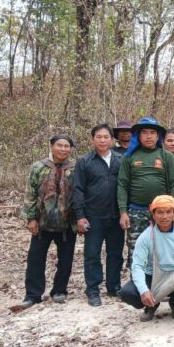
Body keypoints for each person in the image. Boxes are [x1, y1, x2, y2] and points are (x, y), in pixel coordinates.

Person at [118, 195, 174, 321]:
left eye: (168, 212)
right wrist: (144, 290)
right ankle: (151, 305)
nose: (164, 216)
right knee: (127, 293)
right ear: (153, 214)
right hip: (153, 277)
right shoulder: (146, 237)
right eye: (160, 212)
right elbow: (137, 265)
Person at [16, 135, 77, 310]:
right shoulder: (38, 167)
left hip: (67, 222)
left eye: (66, 146)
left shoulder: (75, 168)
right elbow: (30, 193)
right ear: (51, 146)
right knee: (35, 259)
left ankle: (59, 290)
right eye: (59, 145)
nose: (63, 149)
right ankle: (33, 295)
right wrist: (31, 218)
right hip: (42, 222)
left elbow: (79, 193)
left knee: (65, 259)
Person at [117, 117, 174, 268]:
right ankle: (137, 281)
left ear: (158, 136)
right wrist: (123, 212)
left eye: (152, 132)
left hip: (163, 213)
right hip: (136, 212)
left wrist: (173, 209)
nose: (148, 136)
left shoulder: (166, 156)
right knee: (136, 251)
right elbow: (122, 184)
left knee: (163, 250)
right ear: (138, 135)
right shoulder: (130, 156)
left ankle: (160, 281)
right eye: (144, 132)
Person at [74, 125, 124, 307]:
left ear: (112, 139)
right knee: (92, 254)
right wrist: (80, 216)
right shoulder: (84, 161)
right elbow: (78, 189)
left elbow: (126, 186)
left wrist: (124, 212)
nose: (102, 140)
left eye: (106, 137)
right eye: (98, 137)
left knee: (116, 253)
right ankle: (93, 290)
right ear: (92, 139)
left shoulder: (121, 160)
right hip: (93, 215)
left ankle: (114, 286)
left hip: (116, 215)